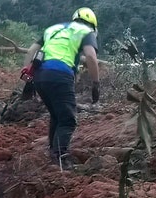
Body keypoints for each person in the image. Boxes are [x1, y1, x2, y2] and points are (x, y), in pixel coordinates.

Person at [22, 7, 100, 170]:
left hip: (40, 76)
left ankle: (52, 154)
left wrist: (27, 77)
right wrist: (96, 84)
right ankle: (60, 159)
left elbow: (31, 51)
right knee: (68, 120)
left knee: (57, 116)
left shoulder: (53, 29)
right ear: (92, 25)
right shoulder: (86, 32)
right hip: (59, 75)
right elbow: (91, 57)